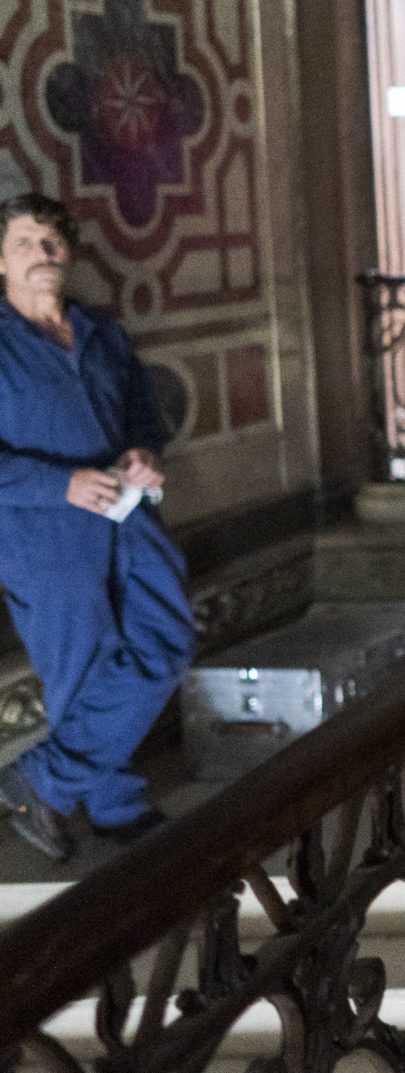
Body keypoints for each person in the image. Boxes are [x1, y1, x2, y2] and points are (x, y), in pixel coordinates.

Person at [0, 192, 193, 860]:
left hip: (128, 515)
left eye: (52, 242)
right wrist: (62, 484)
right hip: (44, 534)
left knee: (167, 640)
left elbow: (142, 416)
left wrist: (145, 453)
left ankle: (45, 780)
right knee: (81, 669)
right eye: (24, 243)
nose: (42, 254)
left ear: (69, 252)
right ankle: (115, 807)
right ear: (1, 260)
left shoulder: (102, 333)